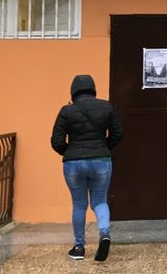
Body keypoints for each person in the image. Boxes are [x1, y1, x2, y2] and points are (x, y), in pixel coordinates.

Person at [50, 74, 123, 262]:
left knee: (79, 204)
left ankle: (79, 247)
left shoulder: (66, 111)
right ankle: (104, 233)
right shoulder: (107, 107)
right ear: (93, 89)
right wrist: (104, 147)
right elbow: (118, 133)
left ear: (73, 91)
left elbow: (56, 141)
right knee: (100, 201)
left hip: (74, 163)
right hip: (101, 160)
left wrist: (71, 152)